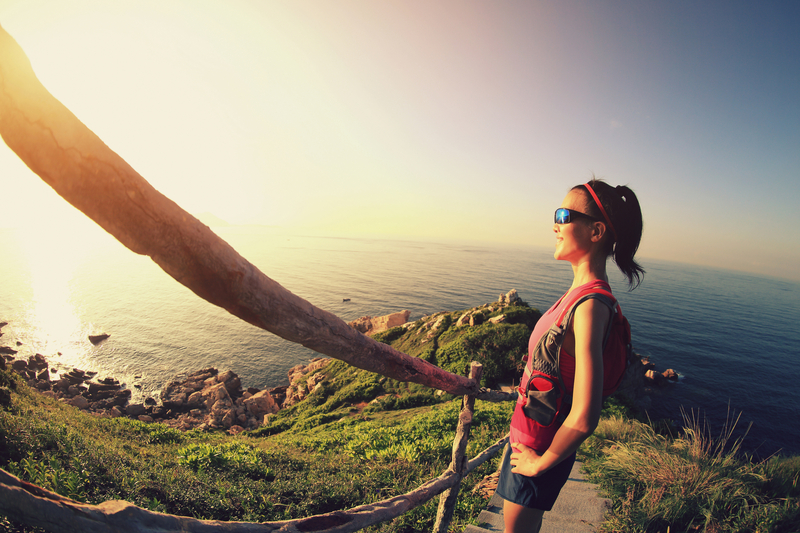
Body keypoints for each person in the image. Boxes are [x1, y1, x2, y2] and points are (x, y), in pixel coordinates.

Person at [495, 178, 644, 533]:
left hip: (539, 447)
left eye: (563, 215)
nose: (555, 225)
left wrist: (540, 463)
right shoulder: (578, 295)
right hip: (530, 440)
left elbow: (585, 416)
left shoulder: (591, 306)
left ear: (596, 231)